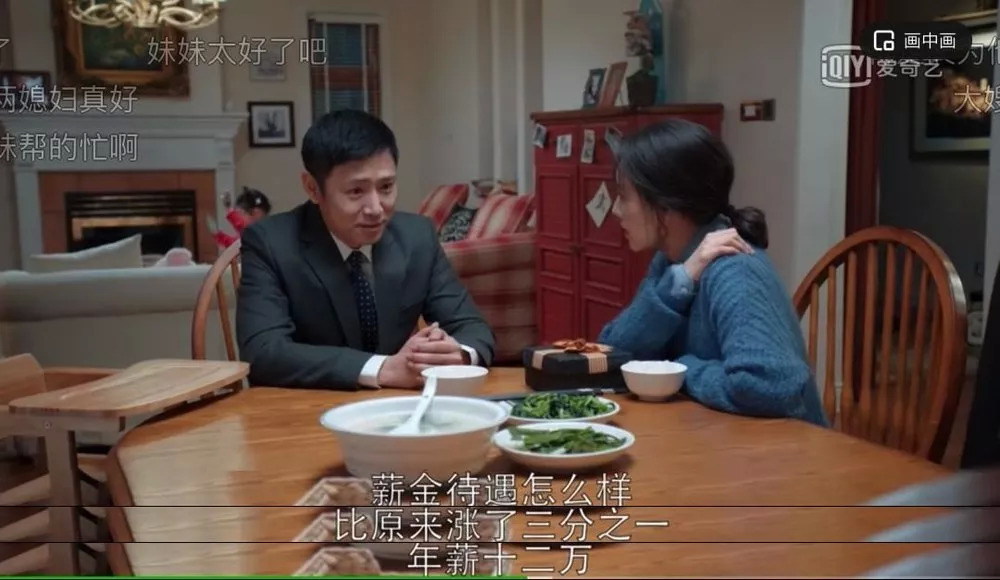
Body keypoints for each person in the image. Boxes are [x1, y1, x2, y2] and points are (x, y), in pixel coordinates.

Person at [236, 109, 494, 390]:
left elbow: (472, 328)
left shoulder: (417, 236)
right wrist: (381, 369)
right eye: (356, 192)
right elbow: (263, 352)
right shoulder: (270, 243)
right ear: (312, 188)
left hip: (400, 405)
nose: (375, 208)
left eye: (386, 187)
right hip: (310, 405)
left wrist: (458, 355)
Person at [598, 119, 827, 426]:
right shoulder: (672, 263)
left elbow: (769, 385)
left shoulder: (736, 269)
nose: (615, 209)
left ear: (666, 203)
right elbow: (614, 353)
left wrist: (680, 368)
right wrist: (679, 281)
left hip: (786, 449)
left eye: (624, 196)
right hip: (717, 436)